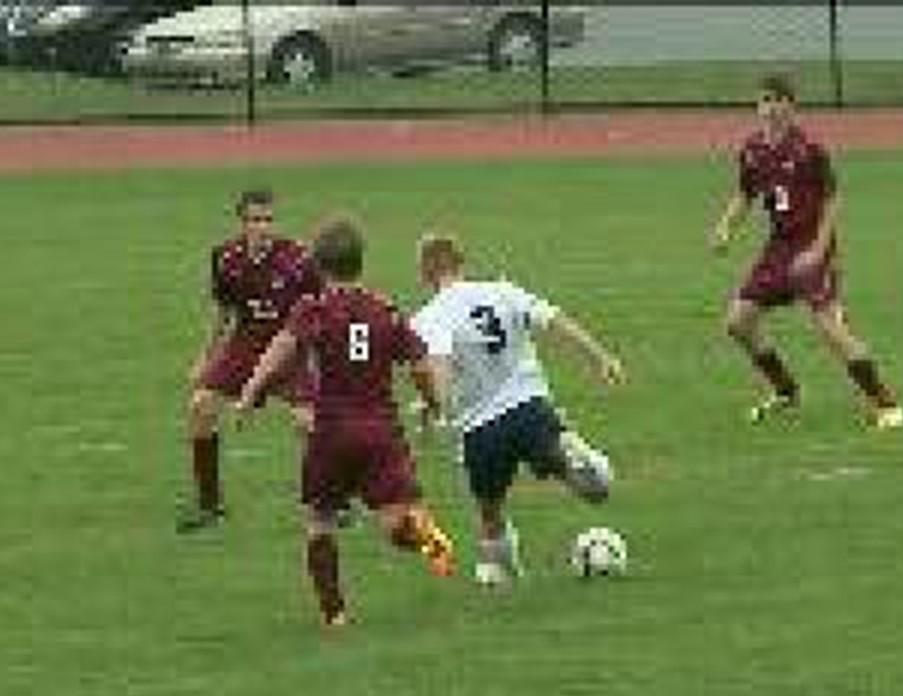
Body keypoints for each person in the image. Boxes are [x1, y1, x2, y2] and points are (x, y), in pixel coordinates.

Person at [236, 216, 456, 629]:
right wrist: (432, 402)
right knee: (394, 526)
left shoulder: (313, 309)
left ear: (319, 266)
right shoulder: (385, 311)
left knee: (319, 521)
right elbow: (421, 366)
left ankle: (334, 614)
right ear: (361, 262)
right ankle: (424, 535)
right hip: (380, 432)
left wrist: (250, 391)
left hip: (331, 432)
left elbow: (281, 348)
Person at [409, 232, 626, 587]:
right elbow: (554, 320)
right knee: (595, 490)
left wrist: (435, 407)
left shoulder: (429, 317)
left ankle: (504, 571)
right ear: (462, 262)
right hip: (530, 409)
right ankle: (585, 463)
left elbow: (440, 367)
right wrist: (601, 357)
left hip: (481, 429)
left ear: (424, 274)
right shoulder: (501, 290)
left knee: (490, 511)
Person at [709, 72, 903, 430]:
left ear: (790, 105)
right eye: (763, 101)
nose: (768, 108)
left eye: (776, 100)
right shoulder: (752, 149)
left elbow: (832, 199)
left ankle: (886, 403)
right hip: (778, 248)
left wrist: (818, 250)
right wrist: (725, 227)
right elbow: (745, 195)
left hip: (812, 246)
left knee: (828, 328)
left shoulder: (809, 148)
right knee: (738, 323)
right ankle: (786, 391)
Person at [179, 188, 323, 532]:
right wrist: (206, 355)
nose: (263, 227)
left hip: (289, 348)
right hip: (244, 346)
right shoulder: (225, 258)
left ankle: (330, 500)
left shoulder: (299, 260)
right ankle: (209, 505)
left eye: (268, 220)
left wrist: (322, 359)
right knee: (200, 407)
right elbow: (225, 311)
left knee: (308, 423)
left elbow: (319, 312)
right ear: (242, 224)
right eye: (255, 220)